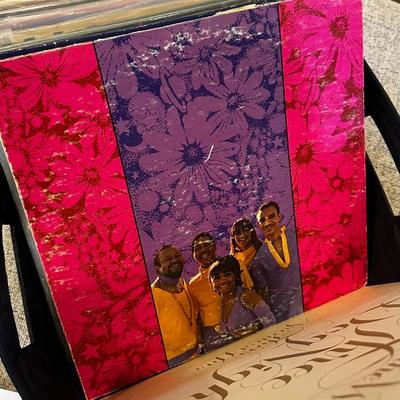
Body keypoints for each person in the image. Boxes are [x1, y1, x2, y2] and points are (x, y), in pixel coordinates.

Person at [207, 255, 276, 348]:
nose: (222, 280)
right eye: (217, 278)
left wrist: (249, 331)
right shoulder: (220, 304)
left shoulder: (246, 295)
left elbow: (270, 320)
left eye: (227, 275)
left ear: (235, 276)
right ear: (211, 283)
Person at [251, 201, 303, 322]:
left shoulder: (298, 234)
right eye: (262, 220)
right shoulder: (258, 260)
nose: (267, 222)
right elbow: (264, 293)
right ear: (259, 225)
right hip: (285, 314)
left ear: (279, 216)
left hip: (310, 299)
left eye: (271, 217)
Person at [152, 245, 199, 367]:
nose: (174, 260)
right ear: (157, 267)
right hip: (174, 363)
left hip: (196, 354)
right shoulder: (153, 295)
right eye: (168, 259)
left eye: (177, 256)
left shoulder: (182, 282)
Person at [189, 233, 221, 336]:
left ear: (215, 246)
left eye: (206, 245)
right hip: (212, 334)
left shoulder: (234, 266)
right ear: (194, 255)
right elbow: (196, 316)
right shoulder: (193, 284)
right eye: (197, 248)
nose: (203, 250)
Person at [230, 218, 263, 289]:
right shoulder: (232, 258)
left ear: (252, 232)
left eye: (245, 230)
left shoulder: (262, 250)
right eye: (238, 233)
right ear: (233, 237)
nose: (242, 235)